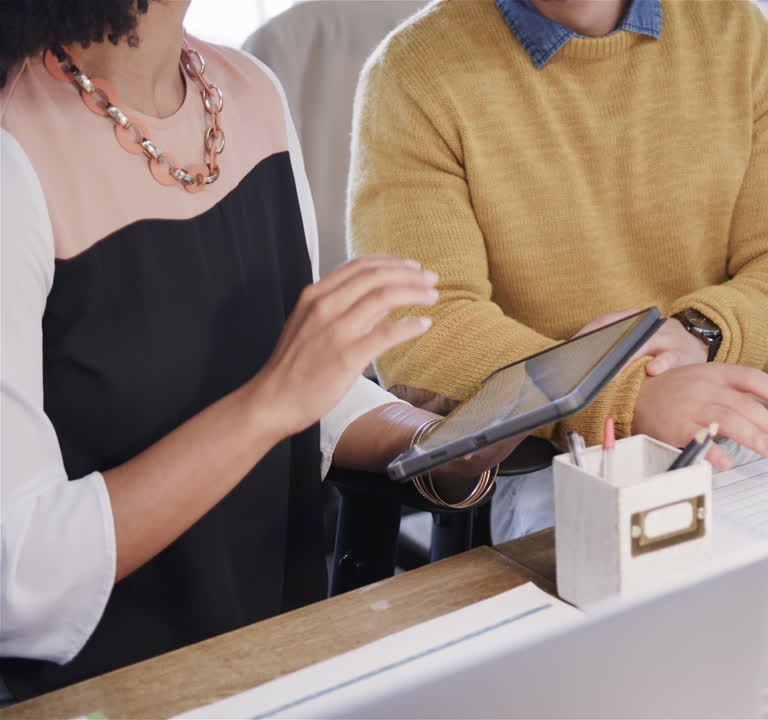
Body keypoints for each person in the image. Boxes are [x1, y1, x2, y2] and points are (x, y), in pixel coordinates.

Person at [0, 0, 514, 698]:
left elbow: (300, 387)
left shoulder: (251, 93)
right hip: (109, 691)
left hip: (280, 653)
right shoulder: (13, 150)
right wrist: (269, 404)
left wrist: (444, 440)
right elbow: (22, 576)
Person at [348, 0, 768, 542]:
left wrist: (700, 333)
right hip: (561, 457)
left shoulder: (732, 27)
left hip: (737, 417)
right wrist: (622, 396)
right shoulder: (415, 71)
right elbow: (424, 330)